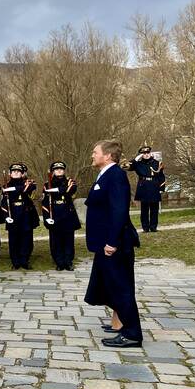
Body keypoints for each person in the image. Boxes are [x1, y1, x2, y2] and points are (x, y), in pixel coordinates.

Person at [84, 140, 142, 347]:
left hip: (114, 244)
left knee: (121, 287)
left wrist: (112, 241)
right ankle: (120, 324)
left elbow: (119, 211)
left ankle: (132, 334)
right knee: (109, 285)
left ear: (107, 156)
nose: (92, 155)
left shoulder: (116, 176)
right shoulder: (106, 174)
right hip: (104, 243)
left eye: (95, 152)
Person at [42, 161, 80, 271]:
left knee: (68, 240)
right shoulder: (47, 184)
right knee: (55, 241)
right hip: (54, 215)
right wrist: (46, 217)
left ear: (64, 170)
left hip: (67, 214)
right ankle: (59, 262)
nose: (59, 171)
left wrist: (56, 190)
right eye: (56, 169)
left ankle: (68, 262)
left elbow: (70, 191)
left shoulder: (70, 181)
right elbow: (45, 202)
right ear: (53, 171)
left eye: (61, 169)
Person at [2, 163, 38, 269]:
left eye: (18, 171)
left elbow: (28, 189)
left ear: (22, 173)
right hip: (12, 216)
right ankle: (15, 262)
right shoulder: (5, 186)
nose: (16, 173)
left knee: (26, 240)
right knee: (14, 240)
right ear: (10, 174)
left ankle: (25, 260)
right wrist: (6, 215)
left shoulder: (29, 183)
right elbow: (3, 202)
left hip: (26, 216)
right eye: (14, 172)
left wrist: (13, 189)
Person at [127, 145, 166, 233]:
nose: (146, 154)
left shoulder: (157, 163)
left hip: (154, 186)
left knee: (154, 209)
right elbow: (127, 167)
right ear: (141, 154)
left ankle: (153, 227)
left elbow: (162, 176)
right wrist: (136, 159)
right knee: (144, 209)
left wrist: (162, 188)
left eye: (147, 152)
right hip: (143, 186)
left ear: (150, 153)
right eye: (144, 153)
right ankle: (145, 228)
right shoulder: (138, 164)